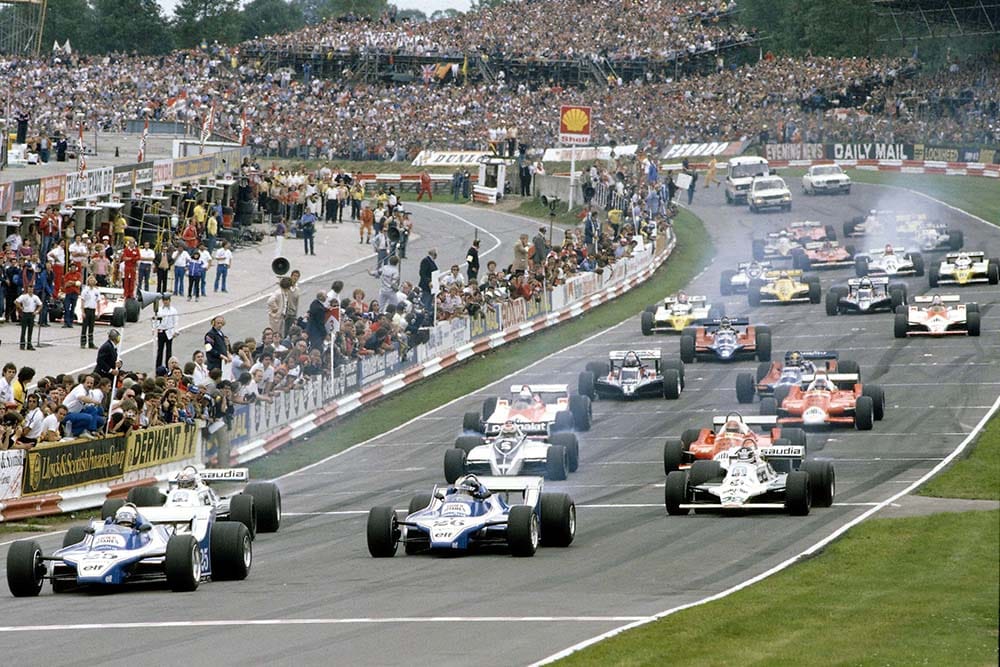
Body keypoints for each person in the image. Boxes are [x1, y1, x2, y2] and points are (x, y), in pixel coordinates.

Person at [154, 294, 179, 369]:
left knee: (169, 351)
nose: (165, 302)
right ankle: (158, 367)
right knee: (160, 350)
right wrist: (155, 330)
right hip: (161, 331)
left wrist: (175, 331)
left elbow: (176, 321)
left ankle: (168, 367)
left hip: (169, 332)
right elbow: (156, 320)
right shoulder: (159, 310)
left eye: (167, 300)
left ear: (169, 301)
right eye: (164, 300)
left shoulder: (173, 310)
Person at [14, 283, 41, 350]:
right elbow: (16, 301)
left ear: (33, 289)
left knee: (30, 330)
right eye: (29, 289)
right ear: (27, 289)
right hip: (25, 314)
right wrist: (20, 307)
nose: (30, 290)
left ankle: (29, 344)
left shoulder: (35, 297)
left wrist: (37, 311)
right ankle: (22, 345)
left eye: (31, 289)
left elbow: (40, 304)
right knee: (23, 330)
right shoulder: (24, 296)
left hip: (32, 314)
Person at [78, 275, 100, 349]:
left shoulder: (96, 291)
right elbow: (82, 301)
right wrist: (83, 311)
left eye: (93, 280)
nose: (92, 281)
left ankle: (91, 343)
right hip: (87, 309)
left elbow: (98, 301)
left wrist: (98, 311)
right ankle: (83, 342)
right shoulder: (85, 290)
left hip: (93, 310)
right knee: (84, 327)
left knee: (91, 327)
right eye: (90, 280)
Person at [61, 262, 82, 327]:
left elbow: (79, 283)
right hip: (68, 293)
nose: (73, 269)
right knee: (66, 308)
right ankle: (66, 322)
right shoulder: (67, 274)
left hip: (75, 293)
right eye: (72, 267)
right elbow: (66, 284)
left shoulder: (78, 274)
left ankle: (70, 322)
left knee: (73, 308)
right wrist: (74, 283)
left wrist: (71, 282)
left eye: (74, 267)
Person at [418, 248, 437, 313]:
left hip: (432, 288)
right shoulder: (425, 261)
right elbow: (422, 273)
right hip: (426, 287)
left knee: (429, 303)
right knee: (425, 302)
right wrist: (429, 281)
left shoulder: (432, 261)